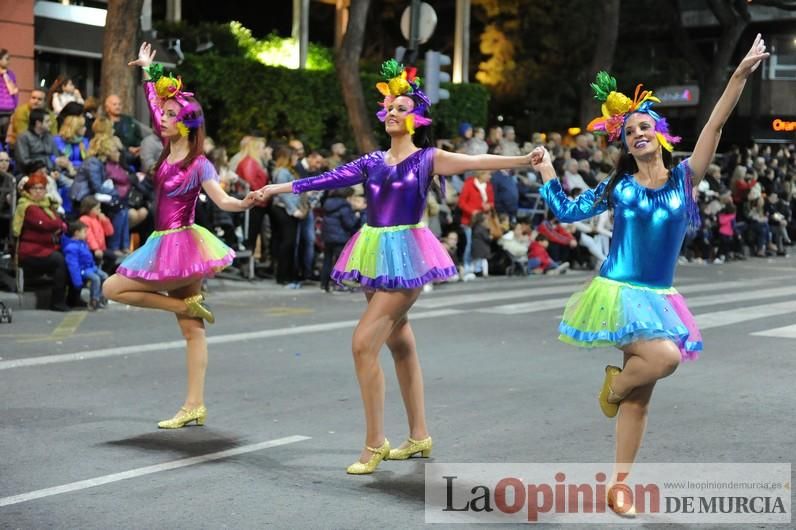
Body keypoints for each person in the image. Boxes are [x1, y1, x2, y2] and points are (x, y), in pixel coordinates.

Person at [258, 59, 534, 474]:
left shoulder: (428, 158)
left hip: (408, 253)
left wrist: (525, 160)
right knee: (399, 342)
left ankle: (375, 443)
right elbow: (324, 179)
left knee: (362, 343)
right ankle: (419, 435)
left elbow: (478, 163)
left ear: (416, 117)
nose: (391, 112)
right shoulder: (371, 161)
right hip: (372, 249)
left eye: (401, 107)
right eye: (388, 106)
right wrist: (273, 188)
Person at [533, 35, 768, 516]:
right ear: (624, 144)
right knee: (663, 359)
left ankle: (619, 485)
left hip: (660, 296)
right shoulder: (619, 186)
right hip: (619, 292)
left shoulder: (686, 177)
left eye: (645, 126)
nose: (637, 134)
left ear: (660, 133)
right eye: (629, 132)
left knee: (642, 398)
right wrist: (546, 169)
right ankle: (613, 387)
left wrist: (740, 74)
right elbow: (564, 210)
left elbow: (716, 122)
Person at [102, 43, 258, 429]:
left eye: (172, 116)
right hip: (163, 241)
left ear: (186, 123)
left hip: (183, 243)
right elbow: (157, 103)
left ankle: (192, 396)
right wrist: (149, 72)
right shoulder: (166, 150)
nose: (163, 119)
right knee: (192, 329)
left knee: (111, 288)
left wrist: (244, 203)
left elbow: (220, 198)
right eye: (165, 115)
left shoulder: (199, 162)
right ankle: (194, 404)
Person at [12, 172, 70, 311]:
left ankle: (73, 298)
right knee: (59, 261)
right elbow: (48, 224)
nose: (38, 191)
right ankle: (57, 302)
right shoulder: (28, 207)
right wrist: (57, 224)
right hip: (30, 252)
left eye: (41, 188)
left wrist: (58, 224)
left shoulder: (45, 205)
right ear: (28, 190)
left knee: (71, 256)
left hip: (45, 249)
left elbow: (61, 225)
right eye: (34, 188)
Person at [62, 220, 107, 311]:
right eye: (84, 232)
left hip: (91, 267)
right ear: (77, 233)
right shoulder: (71, 247)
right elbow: (73, 265)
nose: (86, 234)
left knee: (105, 276)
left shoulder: (83, 244)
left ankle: (102, 297)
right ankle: (94, 300)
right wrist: (77, 281)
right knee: (96, 279)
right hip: (83, 270)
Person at [0, 49, 19, 142]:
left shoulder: (11, 74)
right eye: (6, 59)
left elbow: (14, 91)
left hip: (8, 108)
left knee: (5, 131)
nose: (9, 62)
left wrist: (15, 104)